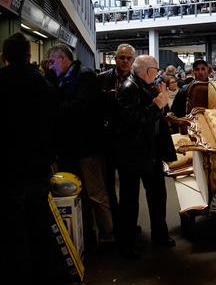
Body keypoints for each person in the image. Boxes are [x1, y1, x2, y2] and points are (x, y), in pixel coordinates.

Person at [1, 33, 60, 285]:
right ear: (28, 55)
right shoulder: (45, 86)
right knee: (40, 228)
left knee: (14, 235)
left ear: (4, 56)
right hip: (39, 170)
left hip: (10, 172)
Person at [48, 43, 114, 246]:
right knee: (78, 193)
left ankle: (107, 234)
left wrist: (56, 108)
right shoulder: (61, 80)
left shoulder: (84, 77)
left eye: (52, 61)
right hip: (70, 148)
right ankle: (87, 234)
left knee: (95, 193)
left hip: (88, 147)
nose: (50, 67)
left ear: (63, 58)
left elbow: (80, 109)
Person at [115, 55, 177, 258]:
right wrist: (157, 105)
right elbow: (132, 121)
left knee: (158, 195)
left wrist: (161, 104)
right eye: (156, 69)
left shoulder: (146, 85)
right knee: (130, 201)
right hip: (133, 154)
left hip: (150, 152)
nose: (158, 73)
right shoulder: (128, 88)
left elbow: (156, 116)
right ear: (147, 70)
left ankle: (159, 235)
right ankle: (127, 245)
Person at [98, 43, 136, 228]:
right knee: (108, 184)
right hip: (106, 139)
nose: (125, 61)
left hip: (129, 142)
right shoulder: (102, 79)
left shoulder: (138, 81)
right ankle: (115, 222)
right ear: (115, 58)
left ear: (133, 60)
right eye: (122, 57)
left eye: (129, 58)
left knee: (128, 186)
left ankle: (127, 223)